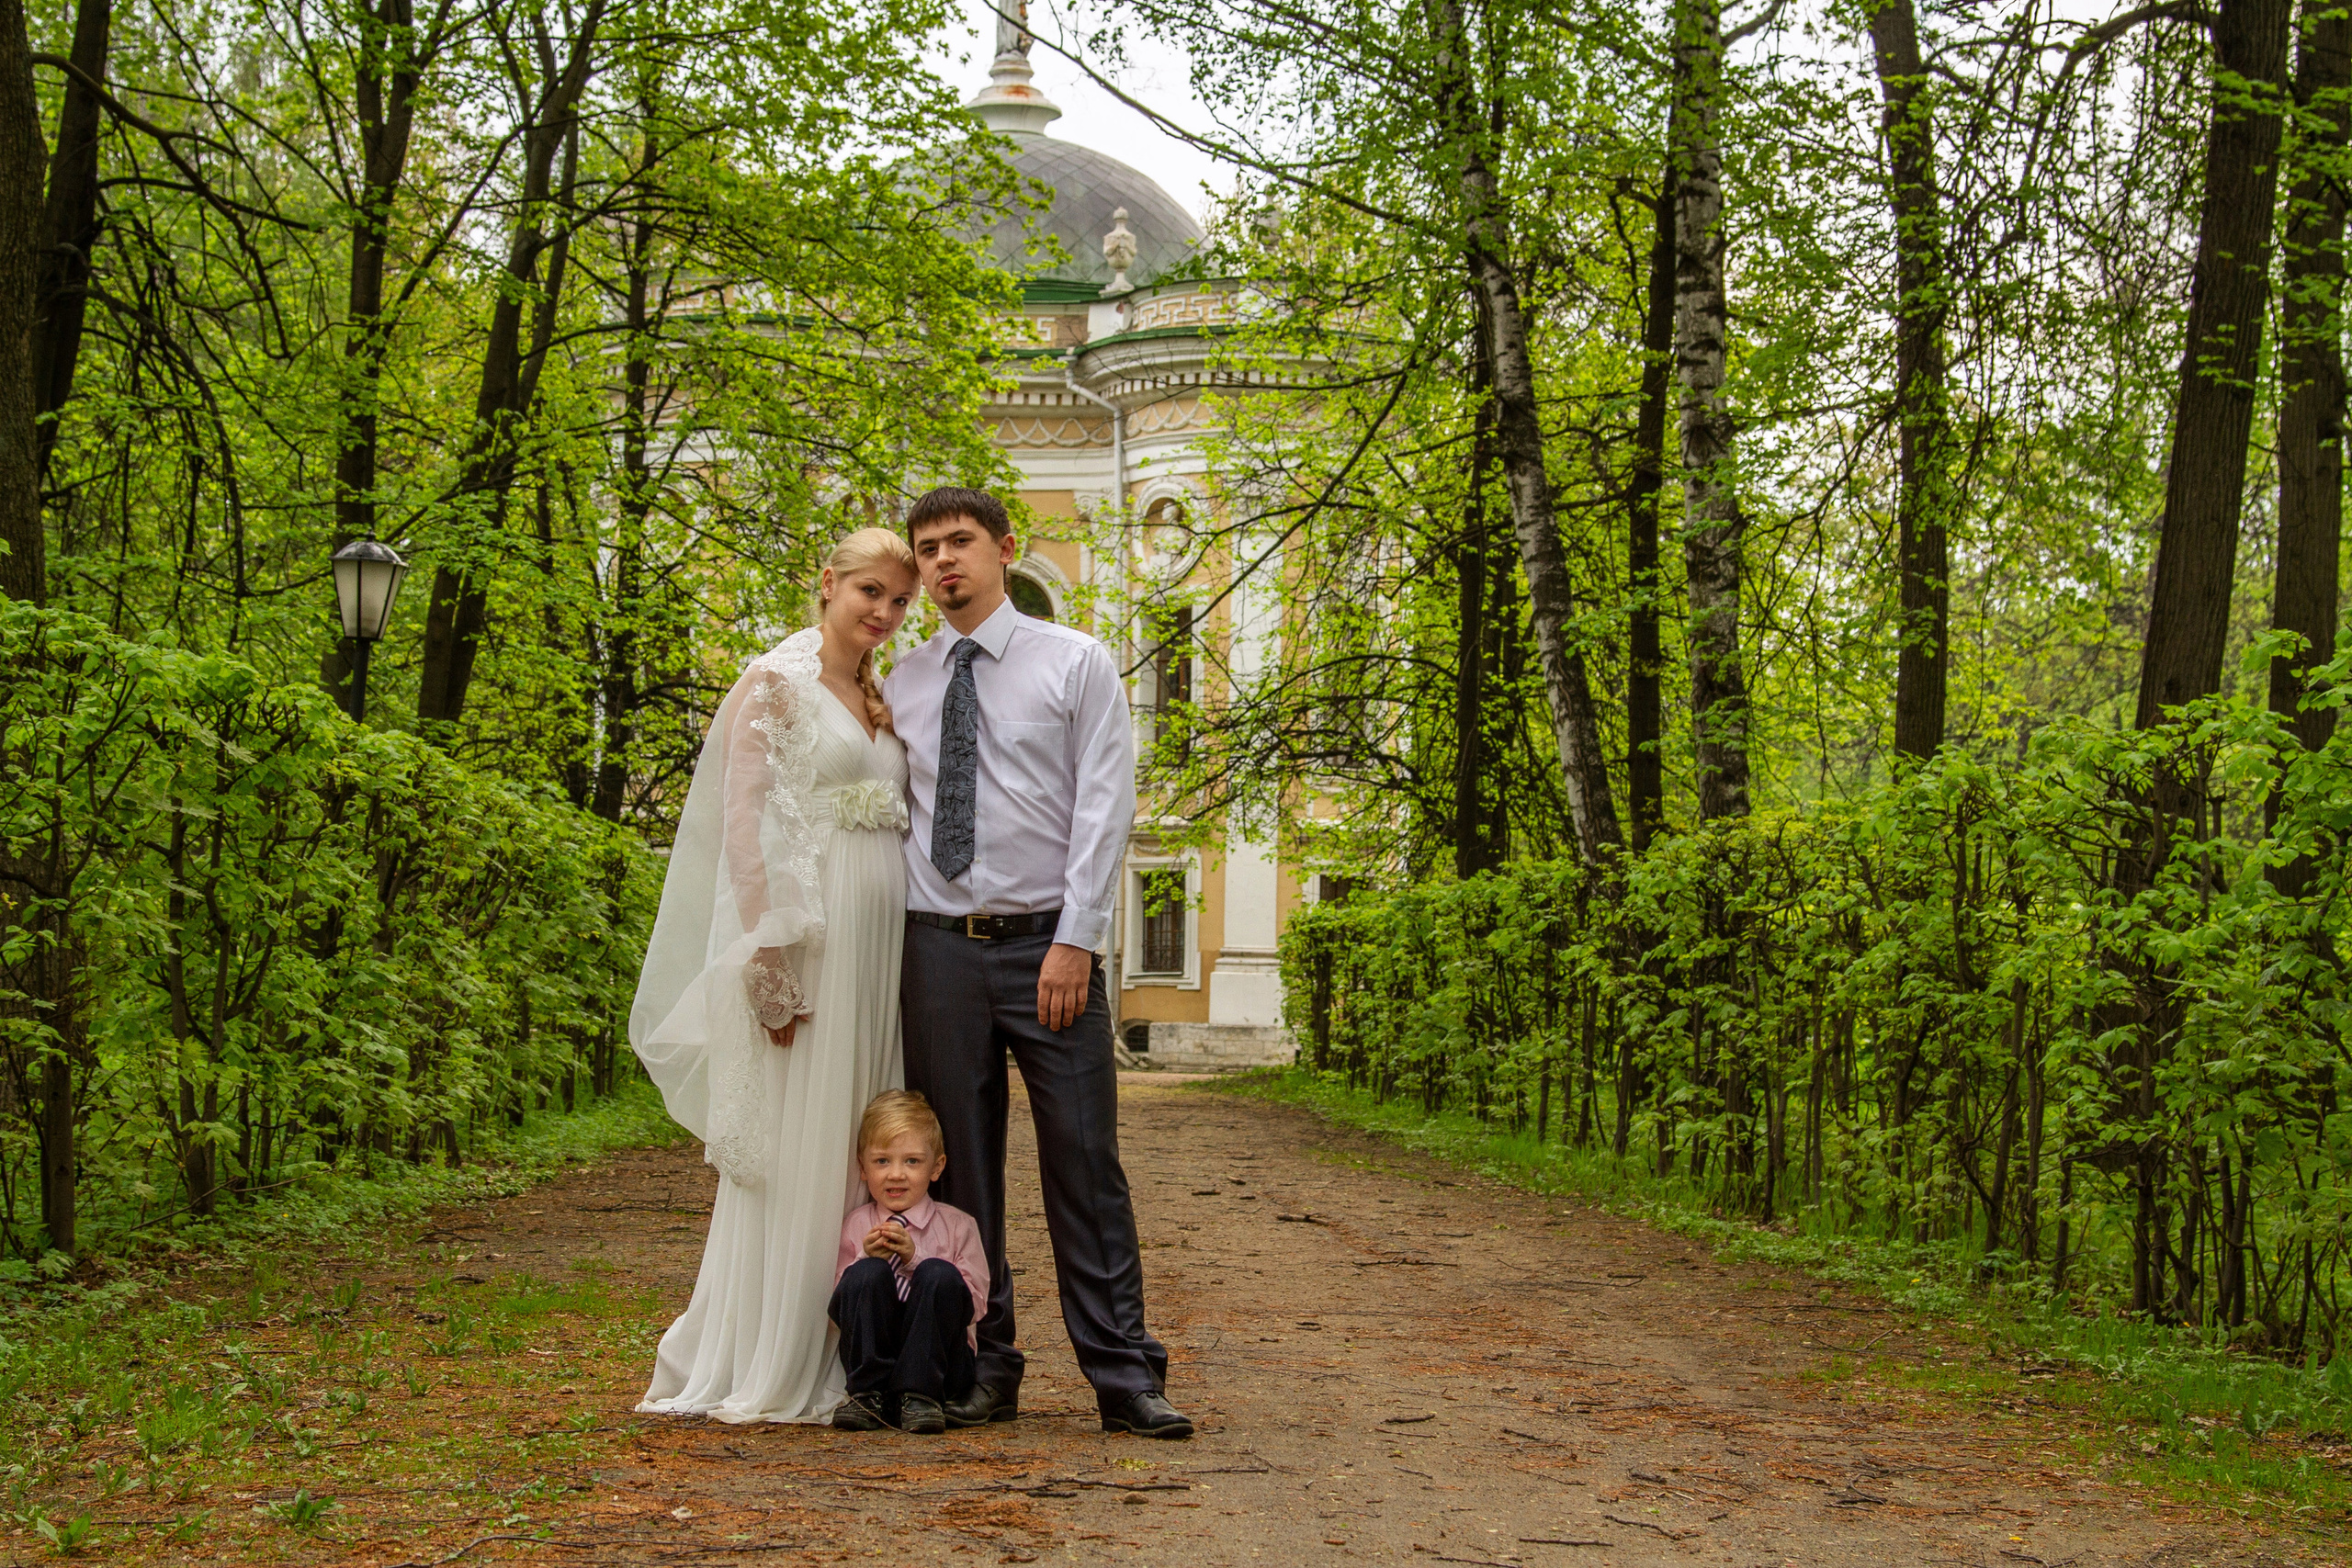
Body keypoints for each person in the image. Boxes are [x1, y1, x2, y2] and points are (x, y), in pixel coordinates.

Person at [885, 486, 1193, 1439]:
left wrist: (1077, 935)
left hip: (1046, 950)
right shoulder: (904, 681)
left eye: (961, 542)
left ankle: (1123, 1373)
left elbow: (1105, 803)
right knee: (962, 1177)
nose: (944, 562)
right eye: (928, 548)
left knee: (1084, 1162)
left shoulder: (1076, 662)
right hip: (937, 948)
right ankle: (986, 1367)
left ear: (1003, 548)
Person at [629, 528, 920, 1423]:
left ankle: (861, 1347)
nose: (883, 612)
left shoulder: (877, 695)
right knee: (805, 1144)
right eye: (869, 591)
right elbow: (742, 827)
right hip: (813, 944)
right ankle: (777, 1344)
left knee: (856, 1140)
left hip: (883, 945)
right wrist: (767, 960)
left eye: (899, 601)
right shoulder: (774, 684)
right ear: (827, 584)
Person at [829, 1089, 989, 1434]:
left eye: (912, 1161)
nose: (896, 1174)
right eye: (882, 1161)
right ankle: (867, 1395)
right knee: (866, 1272)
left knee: (937, 1272)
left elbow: (975, 1306)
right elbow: (837, 1307)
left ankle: (919, 1395)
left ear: (937, 1167)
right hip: (874, 1364)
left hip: (942, 1369)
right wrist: (865, 1257)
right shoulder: (856, 1224)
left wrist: (915, 1259)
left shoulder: (959, 1225)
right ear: (862, 1168)